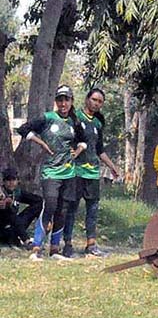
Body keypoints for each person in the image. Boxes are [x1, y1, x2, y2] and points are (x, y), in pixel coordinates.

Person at [18, 85, 87, 259]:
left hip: (69, 173)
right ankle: (37, 247)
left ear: (71, 102)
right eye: (60, 100)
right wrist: (40, 143)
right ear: (56, 101)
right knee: (49, 206)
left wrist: (77, 151)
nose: (63, 103)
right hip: (50, 172)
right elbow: (23, 129)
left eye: (66, 100)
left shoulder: (74, 121)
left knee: (63, 210)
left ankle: (55, 249)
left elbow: (84, 141)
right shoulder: (48, 118)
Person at [62, 88, 122, 258]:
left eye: (100, 101)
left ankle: (91, 244)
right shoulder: (75, 118)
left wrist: (112, 166)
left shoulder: (97, 123)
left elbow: (99, 149)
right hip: (76, 172)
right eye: (94, 99)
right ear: (87, 99)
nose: (96, 103)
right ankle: (67, 243)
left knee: (93, 209)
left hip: (93, 173)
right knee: (71, 208)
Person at [0, 167, 42, 249]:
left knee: (38, 204)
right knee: (9, 212)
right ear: (4, 182)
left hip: (15, 227)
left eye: (13, 179)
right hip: (2, 229)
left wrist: (42, 218)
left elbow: (38, 200)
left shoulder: (18, 192)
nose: (11, 183)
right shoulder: (2, 192)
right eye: (8, 180)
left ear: (17, 180)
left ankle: (38, 234)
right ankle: (26, 241)